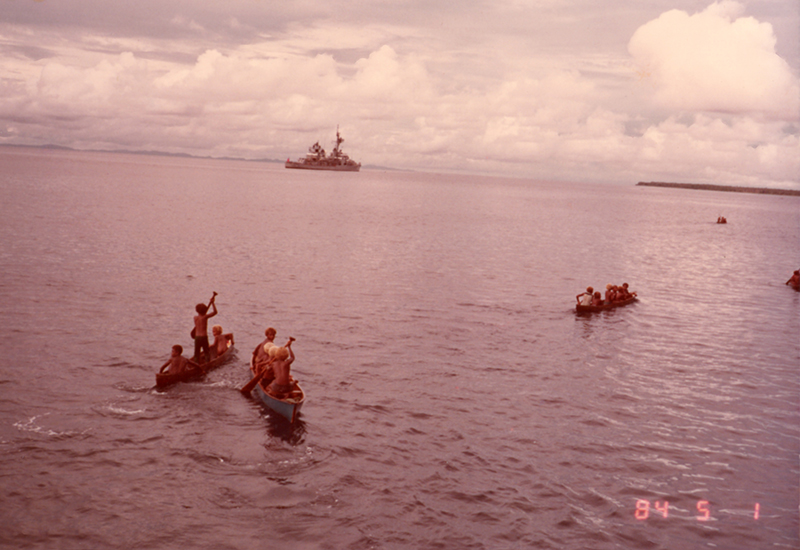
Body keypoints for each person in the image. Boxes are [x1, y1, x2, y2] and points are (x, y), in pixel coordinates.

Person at [193, 294, 218, 363]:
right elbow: (215, 312)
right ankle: (207, 363)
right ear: (205, 311)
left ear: (197, 310)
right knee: (206, 351)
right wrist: (212, 303)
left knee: (196, 352)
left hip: (197, 337)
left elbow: (200, 316)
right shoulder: (205, 317)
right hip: (204, 337)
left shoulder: (195, 318)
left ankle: (196, 363)